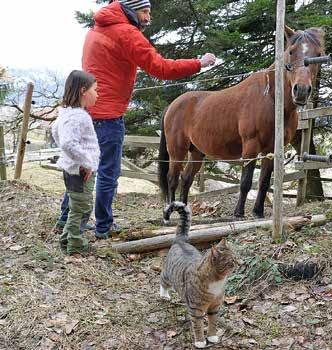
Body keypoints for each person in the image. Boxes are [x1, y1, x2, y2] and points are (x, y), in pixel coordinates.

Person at [57, 0, 216, 240]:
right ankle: (103, 226)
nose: (148, 17)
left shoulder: (97, 27)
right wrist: (199, 63)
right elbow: (161, 67)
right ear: (130, 11)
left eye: (149, 12)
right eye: (144, 12)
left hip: (86, 111)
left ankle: (65, 220)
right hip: (108, 116)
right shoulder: (126, 33)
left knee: (81, 168)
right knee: (108, 173)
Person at [52, 70, 100, 255]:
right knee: (81, 208)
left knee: (77, 206)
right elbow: (67, 142)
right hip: (80, 171)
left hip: (73, 168)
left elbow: (56, 132)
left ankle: (67, 239)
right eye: (95, 90)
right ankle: (75, 245)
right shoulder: (78, 116)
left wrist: (72, 158)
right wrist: (86, 162)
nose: (98, 94)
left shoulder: (66, 113)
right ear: (83, 91)